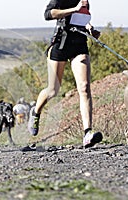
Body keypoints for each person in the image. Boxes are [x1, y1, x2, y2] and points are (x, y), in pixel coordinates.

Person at [28, 0, 103, 148]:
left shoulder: (85, 1)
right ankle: (35, 112)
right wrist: (74, 9)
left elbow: (82, 20)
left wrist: (89, 28)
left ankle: (87, 133)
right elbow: (48, 14)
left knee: (84, 87)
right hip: (60, 44)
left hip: (80, 45)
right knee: (52, 90)